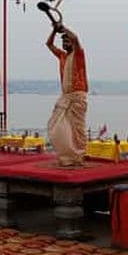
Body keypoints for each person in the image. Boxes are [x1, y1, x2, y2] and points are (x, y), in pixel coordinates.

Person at [46, 24, 89, 167]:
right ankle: (68, 155)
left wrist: (63, 27)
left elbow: (76, 38)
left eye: (67, 41)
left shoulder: (78, 55)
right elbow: (49, 44)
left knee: (77, 129)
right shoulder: (63, 56)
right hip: (66, 97)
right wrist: (54, 30)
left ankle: (79, 157)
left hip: (77, 96)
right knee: (55, 126)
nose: (65, 44)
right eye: (63, 42)